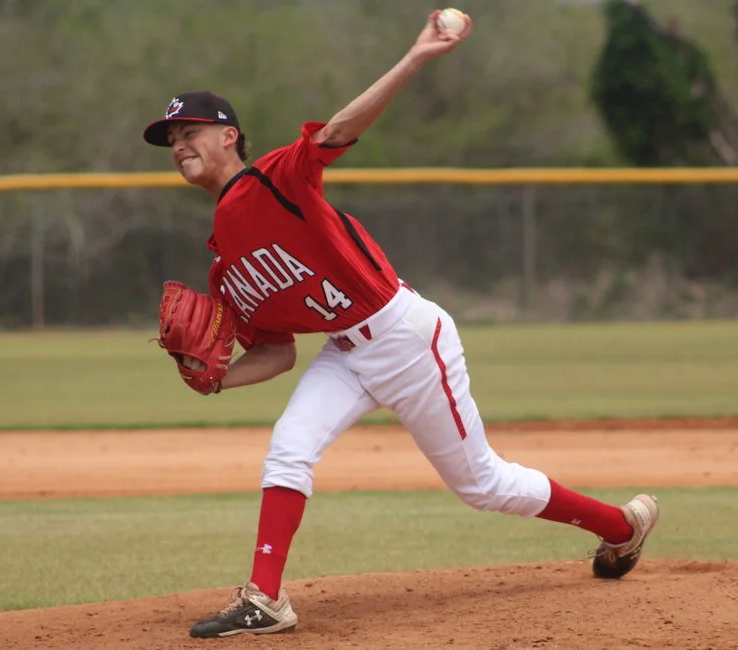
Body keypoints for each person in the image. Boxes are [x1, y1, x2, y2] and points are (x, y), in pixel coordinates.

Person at [142, 10, 659, 639]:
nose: (178, 145)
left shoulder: (274, 178)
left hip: (404, 334)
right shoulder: (223, 265)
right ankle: (265, 599)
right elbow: (276, 354)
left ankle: (620, 527)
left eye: (189, 130)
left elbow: (337, 130)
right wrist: (219, 378)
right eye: (170, 140)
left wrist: (416, 57)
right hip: (345, 353)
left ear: (229, 137)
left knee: (482, 484)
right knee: (288, 448)